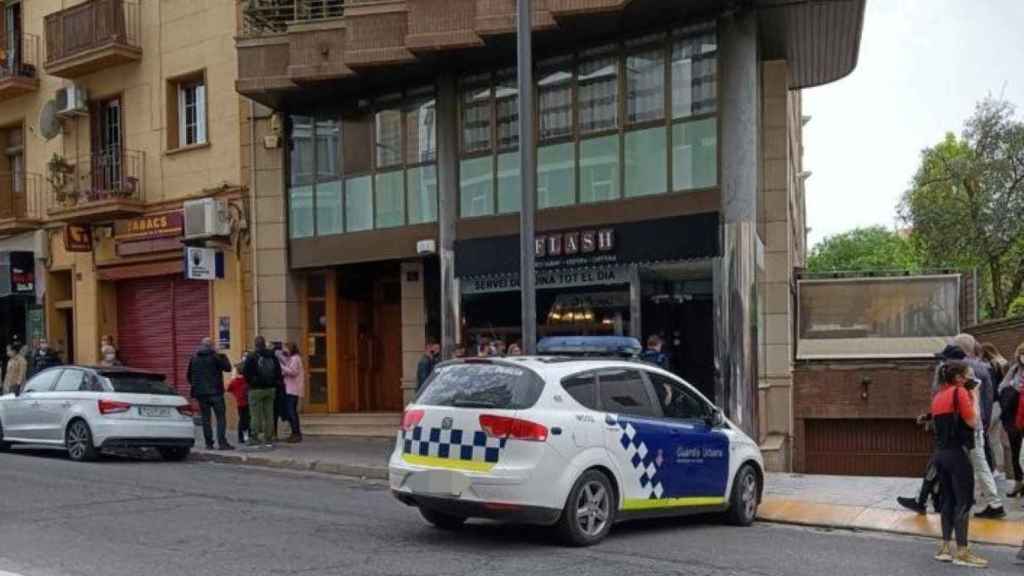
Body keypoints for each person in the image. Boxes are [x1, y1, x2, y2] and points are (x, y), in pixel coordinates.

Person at [930, 360, 987, 568]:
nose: (971, 378)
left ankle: (945, 547)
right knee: (964, 501)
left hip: (941, 454)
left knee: (948, 500)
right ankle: (962, 552)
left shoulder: (938, 396)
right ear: (958, 378)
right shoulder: (960, 392)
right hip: (958, 454)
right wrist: (976, 395)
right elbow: (974, 421)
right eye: (967, 374)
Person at [898, 344, 965, 514]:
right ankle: (934, 501)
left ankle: (924, 501)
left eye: (944, 360)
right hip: (951, 433)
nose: (941, 365)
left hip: (951, 435)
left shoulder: (956, 387)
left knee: (935, 466)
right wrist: (930, 416)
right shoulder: (952, 386)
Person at [954, 334, 1005, 519]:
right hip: (979, 422)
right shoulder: (984, 367)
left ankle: (987, 501)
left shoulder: (962, 369)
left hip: (968, 422)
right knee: (980, 463)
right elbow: (990, 396)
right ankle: (991, 501)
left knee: (974, 462)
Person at [187, 337, 233, 451]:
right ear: (212, 346)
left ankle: (209, 444)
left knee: (205, 419)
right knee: (221, 418)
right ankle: (222, 443)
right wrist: (221, 355)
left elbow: (189, 376)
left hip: (201, 394)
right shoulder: (216, 356)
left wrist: (197, 386)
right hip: (216, 392)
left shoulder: (194, 358)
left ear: (202, 345)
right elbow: (228, 368)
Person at [243, 336, 282, 446]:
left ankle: (254, 437)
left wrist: (251, 382)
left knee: (255, 415)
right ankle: (268, 437)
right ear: (264, 344)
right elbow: (278, 372)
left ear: (255, 344)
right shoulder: (272, 356)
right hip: (270, 389)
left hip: (256, 390)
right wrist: (274, 383)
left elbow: (246, 373)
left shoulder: (251, 356)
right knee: (269, 414)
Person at [1001, 343, 1024, 497]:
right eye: (1021, 353)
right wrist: (1013, 387)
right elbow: (1001, 387)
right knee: (1016, 452)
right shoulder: (1015, 369)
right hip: (1013, 417)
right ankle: (1018, 483)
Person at [276, 343, 304, 443]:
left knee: (292, 412)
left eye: (285, 349)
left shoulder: (296, 359)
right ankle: (294, 433)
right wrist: (280, 357)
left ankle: (296, 433)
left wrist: (281, 366)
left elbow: (292, 371)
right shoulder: (292, 358)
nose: (284, 350)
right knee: (290, 412)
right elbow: (287, 365)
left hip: (293, 389)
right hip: (290, 388)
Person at [227, 356, 251, 446]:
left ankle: (240, 438)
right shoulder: (247, 381)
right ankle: (248, 436)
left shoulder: (234, 382)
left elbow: (229, 389)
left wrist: (235, 394)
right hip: (248, 402)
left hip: (240, 403)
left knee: (241, 420)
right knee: (249, 419)